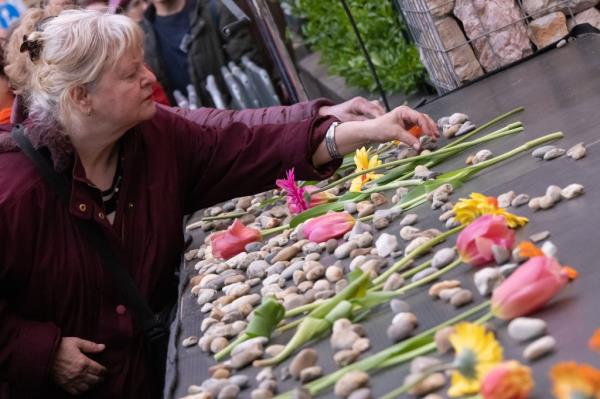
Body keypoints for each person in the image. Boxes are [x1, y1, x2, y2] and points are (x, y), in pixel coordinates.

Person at [0, 10, 438, 398]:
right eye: (131, 72)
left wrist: (346, 129)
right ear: (81, 97)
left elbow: (241, 137)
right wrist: (42, 350)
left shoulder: (152, 136)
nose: (150, 78)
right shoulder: (11, 190)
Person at [140, 0, 262, 106]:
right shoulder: (141, 37)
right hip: (182, 128)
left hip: (235, 120)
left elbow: (252, 73)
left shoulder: (214, 9)